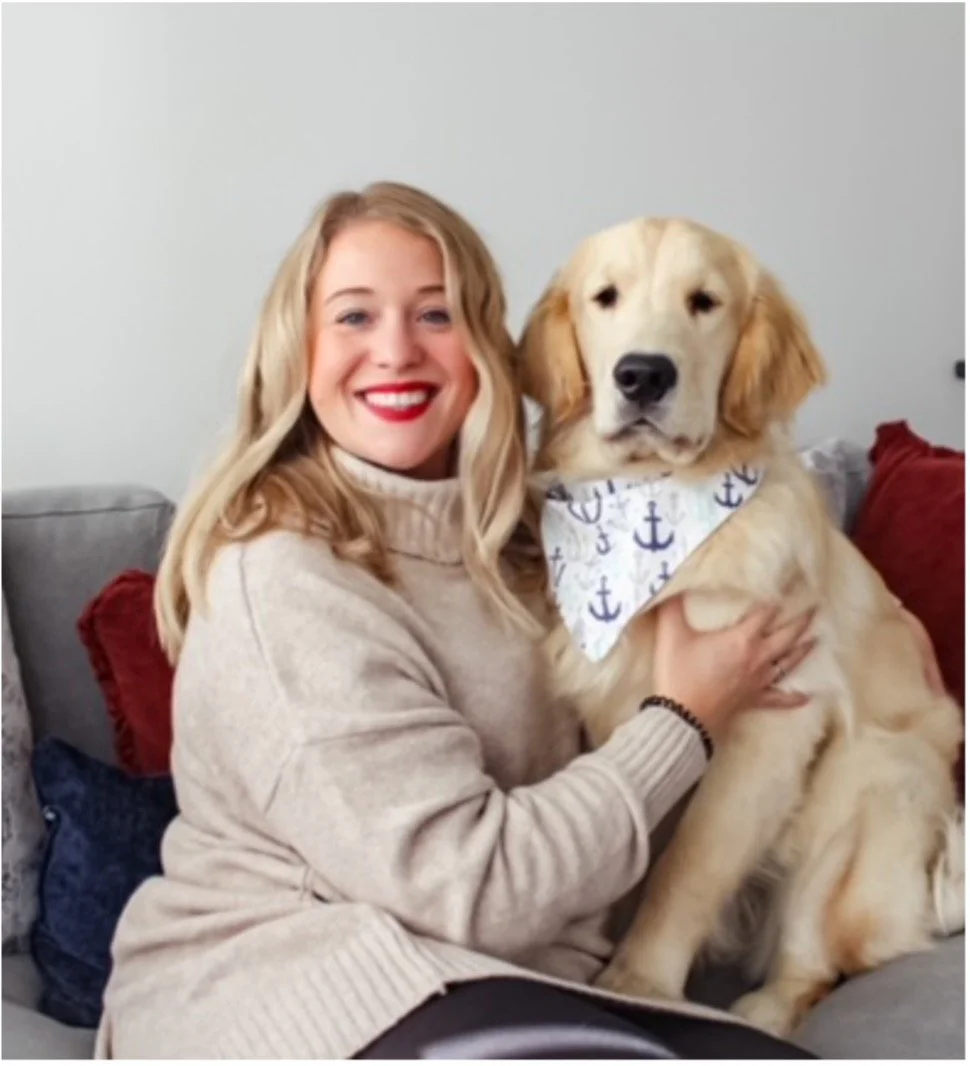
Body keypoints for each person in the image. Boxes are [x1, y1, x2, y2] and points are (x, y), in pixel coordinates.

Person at [96, 182, 947, 1060]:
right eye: (353, 316)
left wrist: (880, 633)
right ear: (295, 347)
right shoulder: (283, 581)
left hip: (491, 973)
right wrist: (683, 717)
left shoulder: (539, 543)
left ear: (487, 350)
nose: (395, 350)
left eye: (435, 315)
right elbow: (471, 886)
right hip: (302, 992)